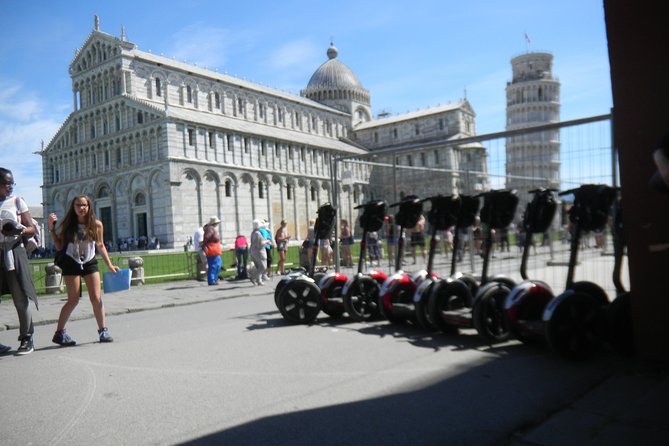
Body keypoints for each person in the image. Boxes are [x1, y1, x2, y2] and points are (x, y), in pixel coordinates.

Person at [47, 195, 119, 346]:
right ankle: (59, 333)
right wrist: (52, 229)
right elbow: (59, 246)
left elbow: (100, 245)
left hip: (89, 261)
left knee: (96, 298)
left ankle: (103, 331)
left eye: (84, 205)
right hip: (71, 262)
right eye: (78, 205)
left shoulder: (96, 224)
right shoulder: (67, 225)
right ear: (73, 208)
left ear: (89, 207)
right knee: (73, 300)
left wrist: (110, 265)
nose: (81, 208)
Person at [0, 168, 38, 355]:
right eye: (6, 183)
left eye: (11, 183)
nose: (10, 187)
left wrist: (18, 230)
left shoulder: (16, 201)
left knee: (19, 296)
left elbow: (32, 229)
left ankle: (27, 337)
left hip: (13, 252)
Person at [202, 216, 222, 285]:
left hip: (214, 250)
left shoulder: (211, 228)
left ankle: (214, 279)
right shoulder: (210, 229)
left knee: (217, 264)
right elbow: (207, 237)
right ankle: (211, 280)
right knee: (213, 265)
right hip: (212, 249)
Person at [249, 219, 270, 285]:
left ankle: (259, 280)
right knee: (263, 267)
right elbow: (261, 243)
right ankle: (253, 277)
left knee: (258, 266)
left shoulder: (253, 233)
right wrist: (267, 241)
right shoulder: (257, 233)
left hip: (253, 251)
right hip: (259, 251)